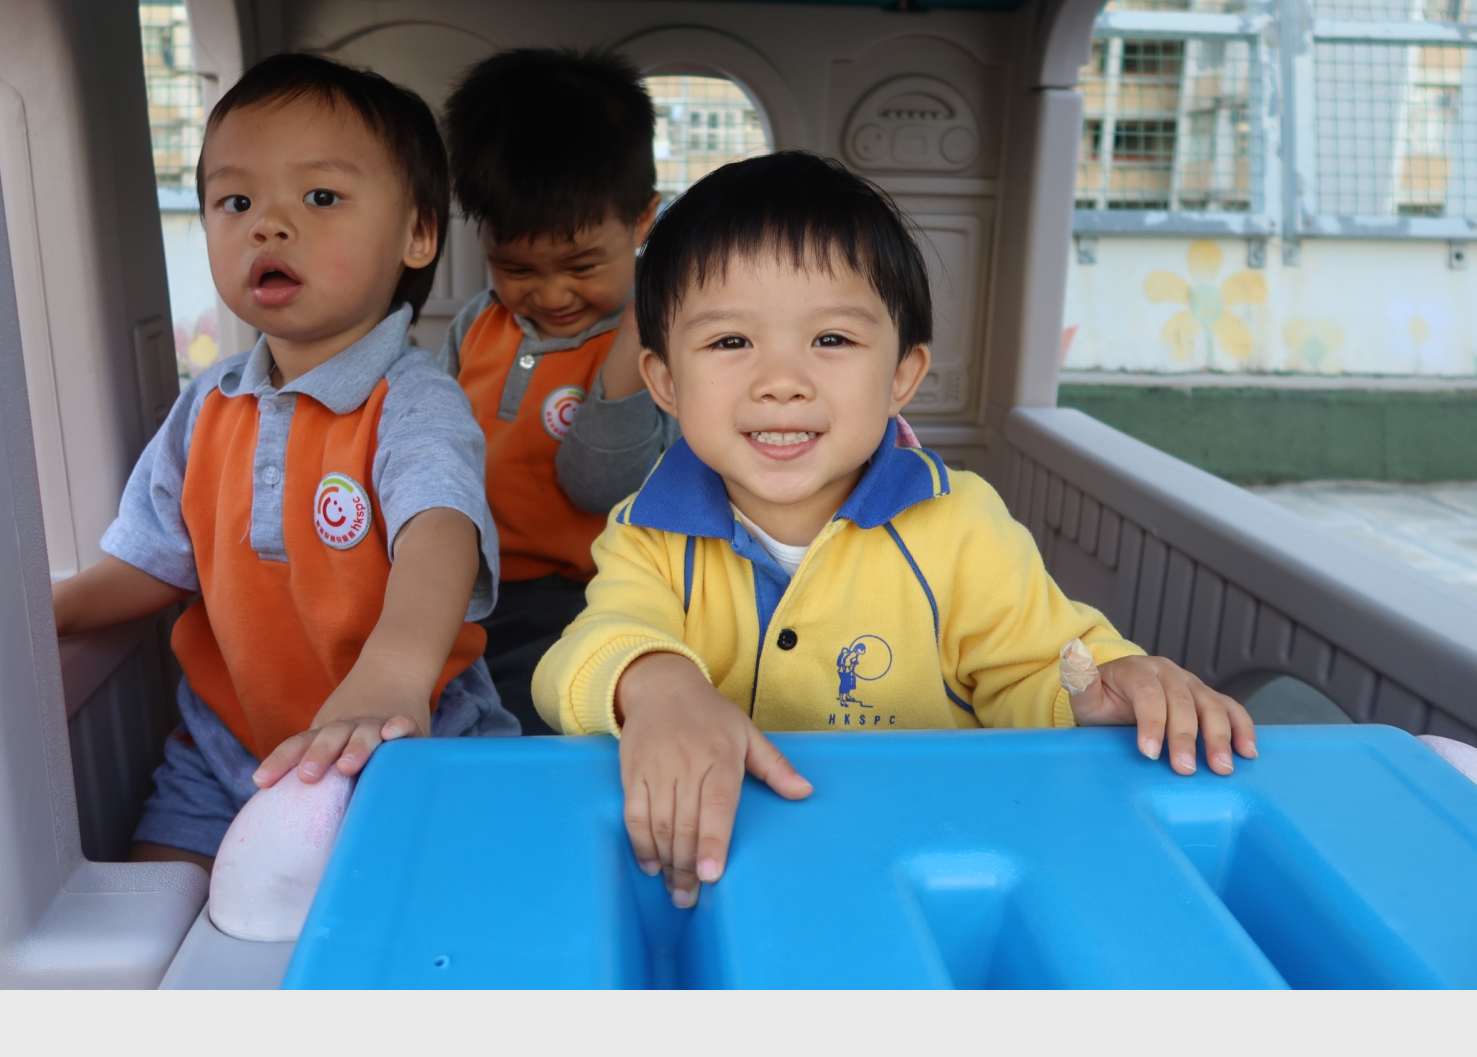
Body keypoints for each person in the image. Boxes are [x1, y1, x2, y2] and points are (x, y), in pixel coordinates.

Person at [532, 151, 1257, 907]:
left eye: (832, 340)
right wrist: (657, 686)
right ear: (665, 382)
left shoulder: (959, 523)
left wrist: (1099, 689)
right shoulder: (647, 531)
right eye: (730, 342)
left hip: (935, 864)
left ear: (902, 375)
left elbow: (1036, 667)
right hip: (726, 867)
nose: (781, 382)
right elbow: (579, 656)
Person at [52, 54, 517, 871]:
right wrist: (45, 613)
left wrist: (394, 672)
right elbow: (155, 561)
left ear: (417, 234)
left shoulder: (412, 401)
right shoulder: (209, 402)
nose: (267, 225)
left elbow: (439, 532)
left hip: (405, 737)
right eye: (236, 202)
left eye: (320, 198)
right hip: (226, 750)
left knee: (429, 909)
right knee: (160, 907)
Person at [439, 48, 679, 733]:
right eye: (516, 268)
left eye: (581, 265)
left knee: (535, 729)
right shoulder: (476, 325)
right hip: (466, 590)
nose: (549, 294)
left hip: (590, 598)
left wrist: (633, 342)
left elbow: (602, 487)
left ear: (642, 220)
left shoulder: (659, 345)